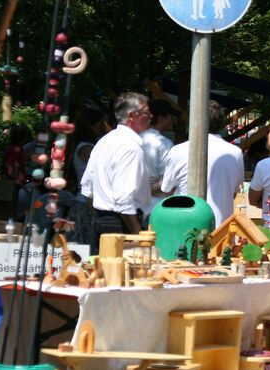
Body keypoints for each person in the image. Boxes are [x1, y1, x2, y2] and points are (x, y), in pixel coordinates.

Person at [80, 92, 151, 252]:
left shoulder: (104, 141)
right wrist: (137, 234)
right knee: (121, 273)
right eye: (147, 112)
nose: (151, 116)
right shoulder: (130, 148)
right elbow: (124, 200)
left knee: (103, 272)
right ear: (133, 115)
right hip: (122, 224)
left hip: (102, 219)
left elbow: (87, 188)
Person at [160, 101, 244, 226]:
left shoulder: (178, 151)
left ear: (192, 121)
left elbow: (166, 189)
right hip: (221, 228)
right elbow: (235, 191)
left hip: (185, 226)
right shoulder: (235, 152)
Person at [141, 98, 175, 216]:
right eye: (170, 116)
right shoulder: (164, 143)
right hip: (155, 208)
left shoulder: (136, 139)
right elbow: (167, 183)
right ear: (161, 117)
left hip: (132, 207)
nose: (172, 120)